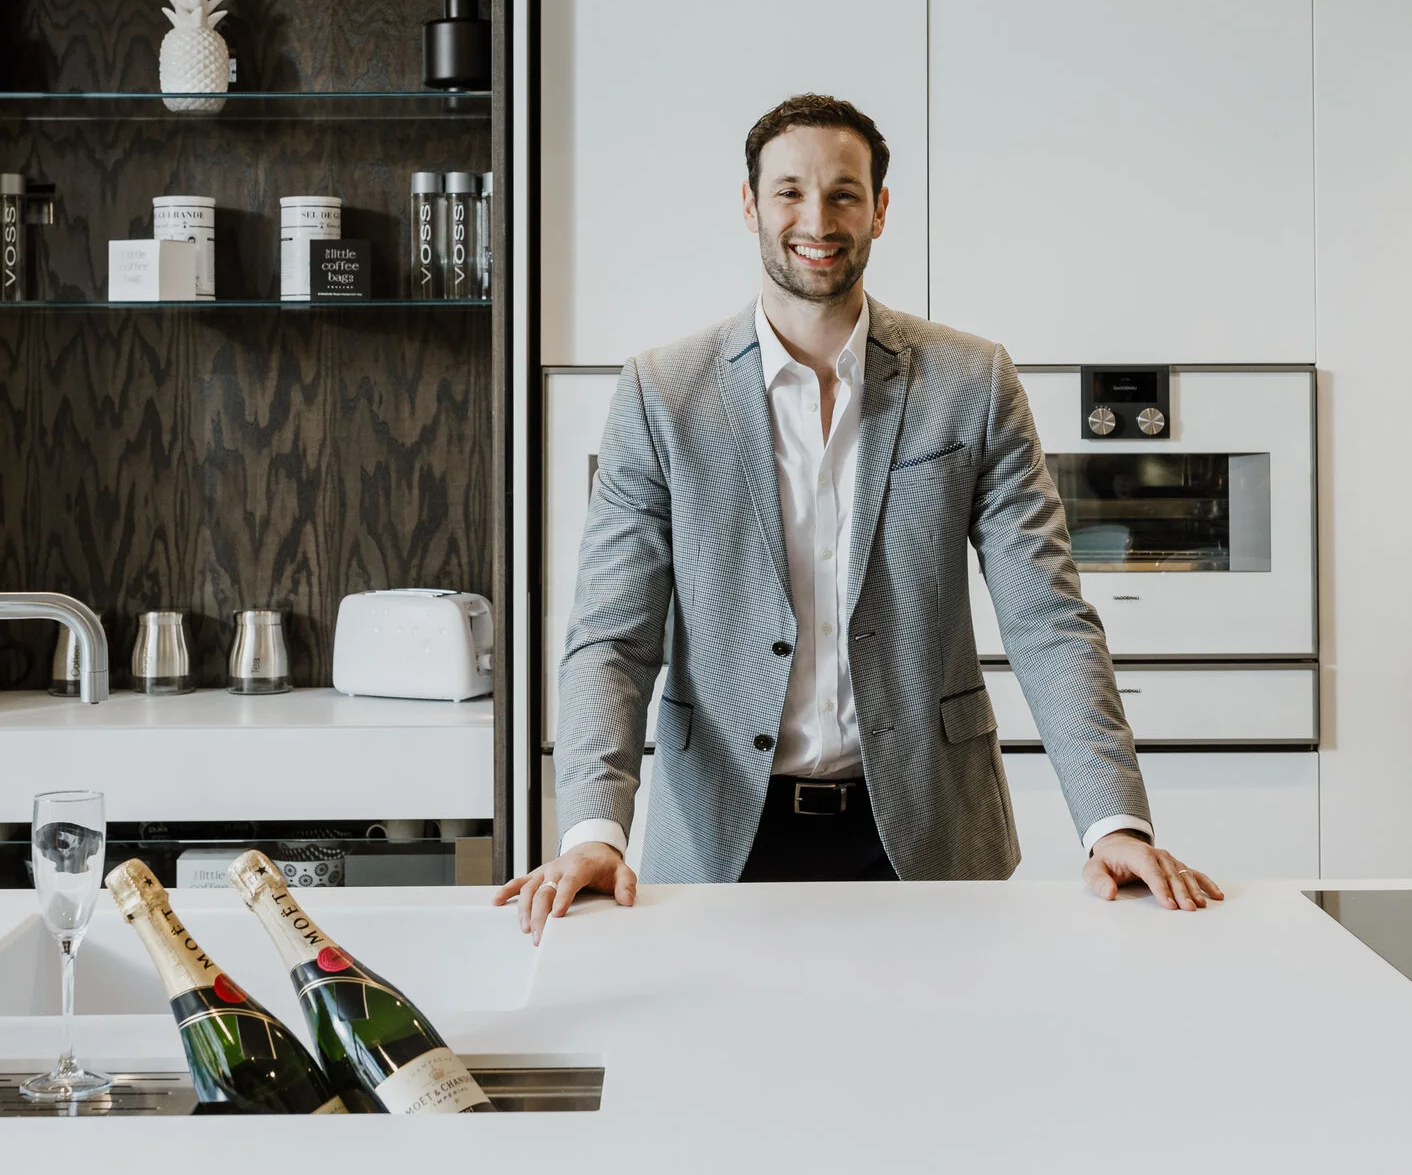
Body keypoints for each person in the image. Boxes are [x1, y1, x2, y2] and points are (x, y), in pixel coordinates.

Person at [498, 94, 1223, 940]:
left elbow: (1048, 617)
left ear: (880, 208)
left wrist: (1115, 823)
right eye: (790, 192)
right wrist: (592, 829)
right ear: (749, 205)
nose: (818, 218)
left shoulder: (971, 381)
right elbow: (612, 637)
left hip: (929, 834)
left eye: (845, 192)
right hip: (721, 839)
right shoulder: (662, 395)